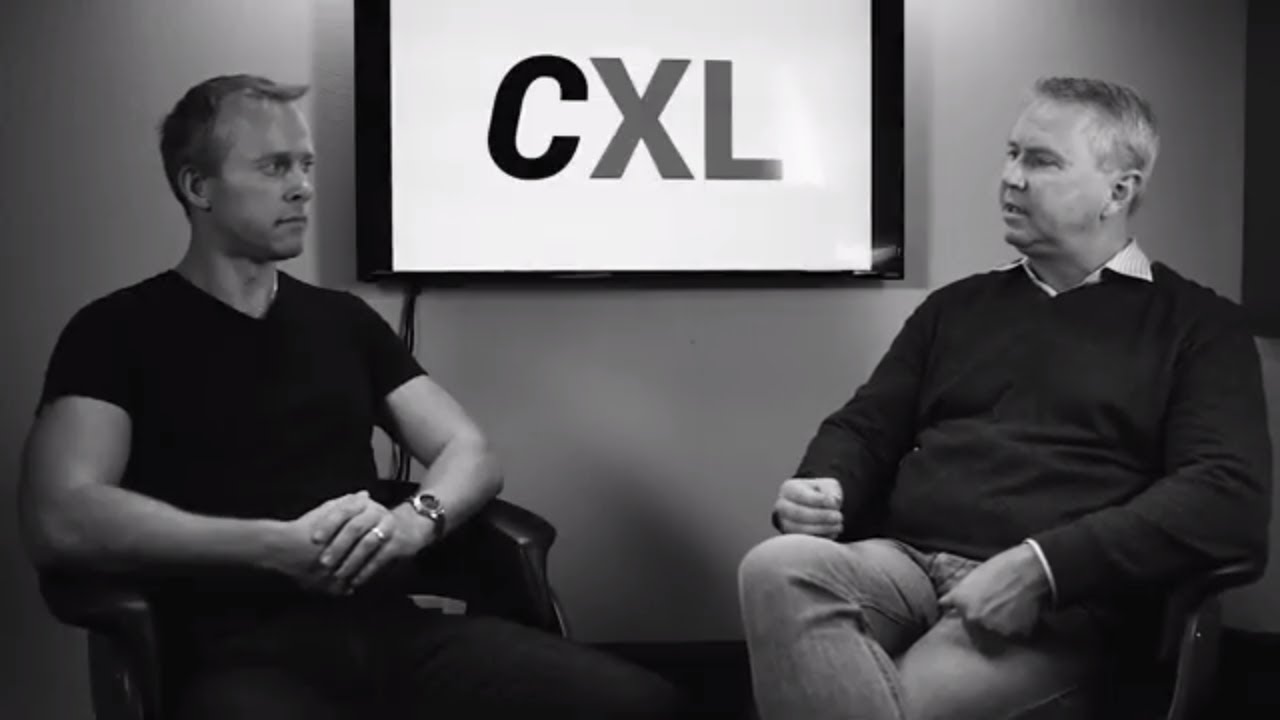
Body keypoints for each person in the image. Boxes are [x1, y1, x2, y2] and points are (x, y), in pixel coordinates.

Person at [17, 74, 685, 720]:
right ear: (199, 187)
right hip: (236, 658)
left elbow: (469, 450)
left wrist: (414, 521)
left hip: (391, 633)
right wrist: (271, 546)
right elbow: (61, 516)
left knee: (641, 703)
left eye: (305, 165)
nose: (303, 187)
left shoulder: (341, 320)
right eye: (275, 167)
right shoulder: (115, 330)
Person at [738, 76, 1272, 720]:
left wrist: (1041, 568)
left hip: (1060, 604)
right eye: (1012, 153)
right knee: (778, 567)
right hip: (904, 564)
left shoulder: (1200, 326)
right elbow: (864, 428)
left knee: (902, 706)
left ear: (1119, 191)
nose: (1010, 178)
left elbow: (1225, 495)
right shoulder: (955, 308)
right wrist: (825, 487)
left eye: (1041, 161)